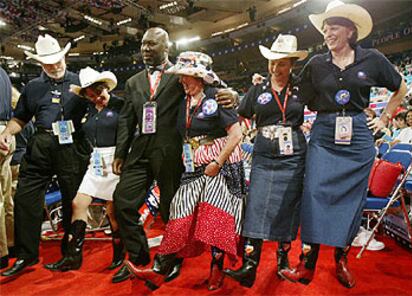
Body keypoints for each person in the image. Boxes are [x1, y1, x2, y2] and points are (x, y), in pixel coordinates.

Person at [279, 0, 407, 288]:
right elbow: (296, 96)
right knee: (313, 195)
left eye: (333, 27)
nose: (327, 33)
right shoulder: (315, 63)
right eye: (325, 28)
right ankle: (306, 263)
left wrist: (385, 118)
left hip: (358, 135)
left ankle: (341, 260)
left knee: (351, 201)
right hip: (324, 134)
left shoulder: (372, 58)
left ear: (350, 31)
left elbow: (401, 88)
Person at [111, 27, 238, 284]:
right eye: (143, 45)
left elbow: (210, 84)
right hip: (140, 152)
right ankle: (138, 257)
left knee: (172, 209)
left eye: (152, 45)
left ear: (166, 48)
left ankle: (172, 261)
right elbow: (126, 120)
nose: (146, 49)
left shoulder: (181, 74)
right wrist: (120, 152)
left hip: (171, 152)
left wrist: (233, 94)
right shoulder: (133, 82)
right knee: (122, 202)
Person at [0, 34, 91, 277]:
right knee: (25, 199)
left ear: (64, 57)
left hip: (72, 144)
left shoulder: (82, 81)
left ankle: (71, 255)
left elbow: (99, 105)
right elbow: (20, 117)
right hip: (40, 143)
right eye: (49, 63)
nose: (55, 66)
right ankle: (25, 255)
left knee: (73, 200)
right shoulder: (32, 87)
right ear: (40, 64)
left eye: (58, 60)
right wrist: (8, 132)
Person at [224, 34, 308, 288]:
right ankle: (250, 265)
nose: (275, 68)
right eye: (272, 62)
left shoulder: (302, 88)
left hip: (293, 156)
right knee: (256, 206)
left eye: (281, 63)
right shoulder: (258, 89)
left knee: (287, 207)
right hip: (263, 156)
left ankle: (283, 260)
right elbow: (239, 115)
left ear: (292, 64)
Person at [44, 67, 125, 271]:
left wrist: (124, 157)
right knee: (78, 203)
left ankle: (119, 255)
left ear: (106, 88)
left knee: (112, 212)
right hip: (95, 159)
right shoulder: (88, 110)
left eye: (99, 93)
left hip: (116, 159)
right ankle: (73, 255)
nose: (97, 98)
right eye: (91, 96)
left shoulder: (122, 105)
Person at [0, 65, 16, 270]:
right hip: (6, 131)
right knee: (6, 196)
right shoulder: (3, 72)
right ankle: (11, 244)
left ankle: (1, 252)